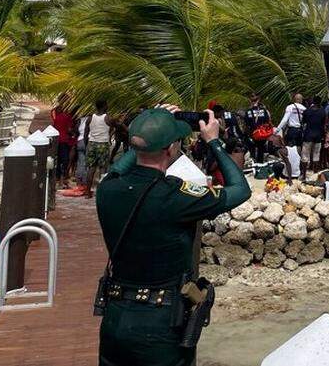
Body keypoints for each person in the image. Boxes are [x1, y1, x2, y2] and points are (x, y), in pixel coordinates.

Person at [95, 107, 250, 366]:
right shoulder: (175, 197)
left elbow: (126, 162)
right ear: (170, 149)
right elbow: (240, 189)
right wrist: (213, 141)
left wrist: (149, 127)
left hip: (115, 318)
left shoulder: (107, 189)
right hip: (161, 324)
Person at [77, 99, 117, 199]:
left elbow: (86, 133)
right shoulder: (107, 118)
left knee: (91, 169)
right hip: (103, 144)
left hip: (91, 144)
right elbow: (114, 128)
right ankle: (102, 193)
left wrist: (87, 145)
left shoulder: (90, 118)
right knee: (103, 169)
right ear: (104, 106)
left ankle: (87, 192)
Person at [50, 99, 79, 189]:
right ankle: (64, 178)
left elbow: (54, 126)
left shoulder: (57, 117)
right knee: (66, 160)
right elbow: (69, 129)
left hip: (57, 140)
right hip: (65, 140)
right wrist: (75, 133)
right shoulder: (67, 117)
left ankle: (58, 179)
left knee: (58, 160)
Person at [299, 97, 326, 174]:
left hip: (308, 135)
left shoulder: (307, 111)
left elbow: (303, 122)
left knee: (304, 156)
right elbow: (323, 125)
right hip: (318, 136)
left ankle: (304, 175)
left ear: (313, 102)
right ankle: (315, 174)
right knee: (316, 156)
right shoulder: (323, 112)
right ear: (320, 102)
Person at [243, 95, 272, 163]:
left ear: (250, 101)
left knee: (252, 150)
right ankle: (260, 163)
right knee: (261, 151)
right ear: (258, 101)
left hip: (252, 134)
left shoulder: (248, 112)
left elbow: (246, 125)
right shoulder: (264, 111)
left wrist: (246, 135)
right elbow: (267, 122)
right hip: (262, 134)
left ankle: (253, 163)